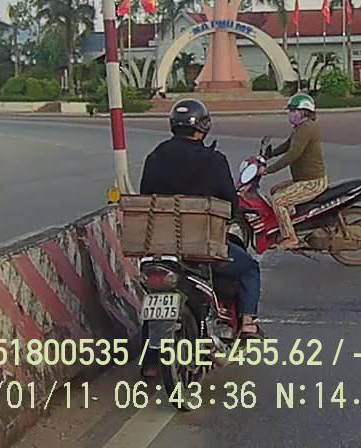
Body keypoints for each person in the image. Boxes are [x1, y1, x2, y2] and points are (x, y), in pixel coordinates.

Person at [139, 98, 262, 338]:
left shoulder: (155, 157)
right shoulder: (213, 160)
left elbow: (147, 197)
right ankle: (248, 324)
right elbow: (229, 203)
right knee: (249, 268)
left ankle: (156, 353)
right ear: (203, 127)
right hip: (202, 246)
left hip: (162, 247)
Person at [262, 93, 328, 250]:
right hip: (303, 179)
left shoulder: (307, 128)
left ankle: (291, 238)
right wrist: (269, 155)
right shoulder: (300, 128)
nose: (289, 114)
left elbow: (293, 154)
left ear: (302, 112)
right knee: (275, 190)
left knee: (278, 201)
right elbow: (288, 145)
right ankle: (292, 222)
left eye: (292, 110)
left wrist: (268, 170)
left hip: (311, 182)